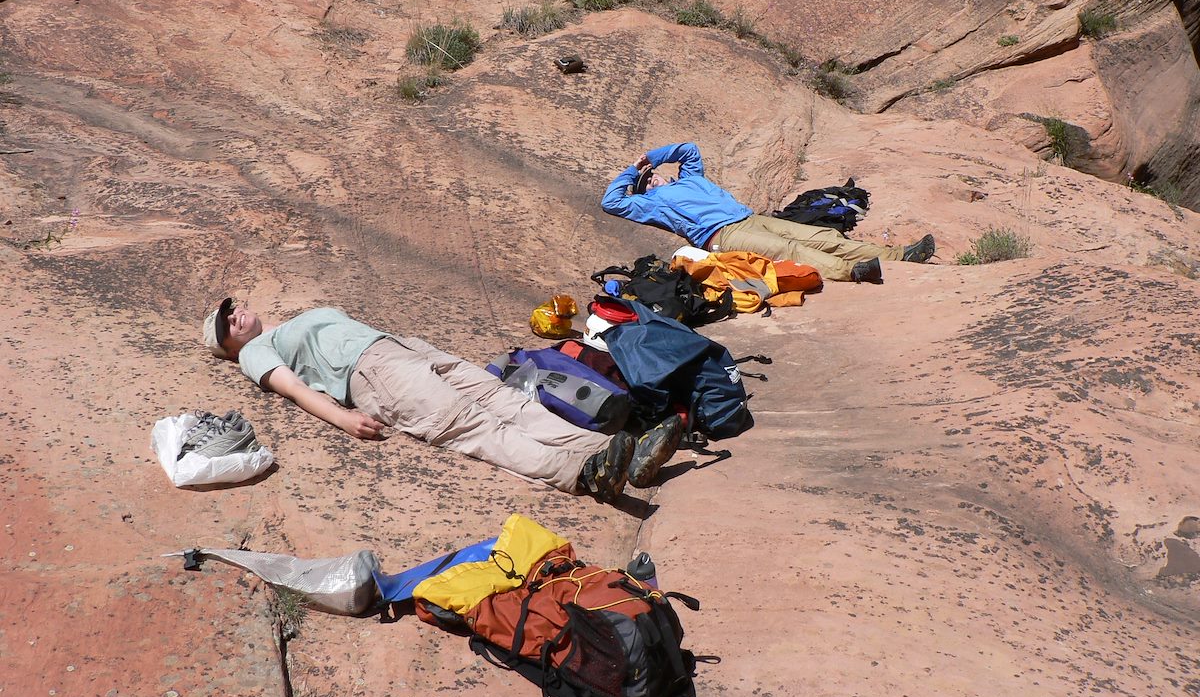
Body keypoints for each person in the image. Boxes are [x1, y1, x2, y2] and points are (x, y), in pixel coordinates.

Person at [201, 298, 685, 502]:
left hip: (407, 351)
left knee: (505, 400)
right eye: (227, 325)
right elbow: (294, 388)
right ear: (229, 347)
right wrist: (344, 420)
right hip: (374, 376)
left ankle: (610, 452)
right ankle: (583, 474)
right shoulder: (256, 354)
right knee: (476, 426)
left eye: (232, 308)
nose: (236, 316)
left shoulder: (283, 327)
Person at [602, 142, 936, 283]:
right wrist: (632, 173)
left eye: (652, 175)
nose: (652, 179)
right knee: (790, 251)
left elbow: (689, 150)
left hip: (749, 218)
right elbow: (611, 202)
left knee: (821, 235)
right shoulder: (649, 204)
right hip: (723, 235)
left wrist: (652, 156)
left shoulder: (690, 179)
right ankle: (854, 271)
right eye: (646, 181)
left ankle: (899, 255)